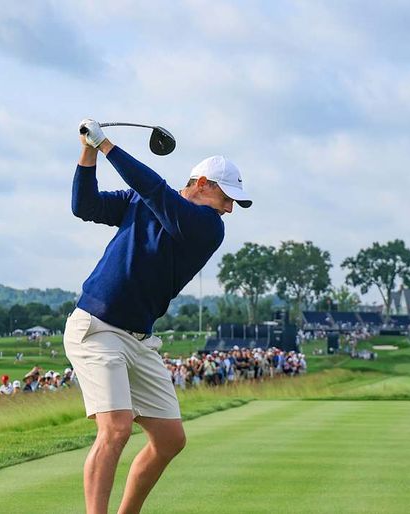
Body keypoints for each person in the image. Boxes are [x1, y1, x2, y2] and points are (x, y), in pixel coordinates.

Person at [64, 118, 250, 514]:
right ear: (203, 184)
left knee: (169, 439)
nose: (230, 208)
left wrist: (106, 144)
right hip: (97, 328)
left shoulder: (208, 227)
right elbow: (85, 206)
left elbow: (153, 189)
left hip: (140, 339)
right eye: (226, 197)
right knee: (115, 429)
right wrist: (87, 151)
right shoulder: (143, 201)